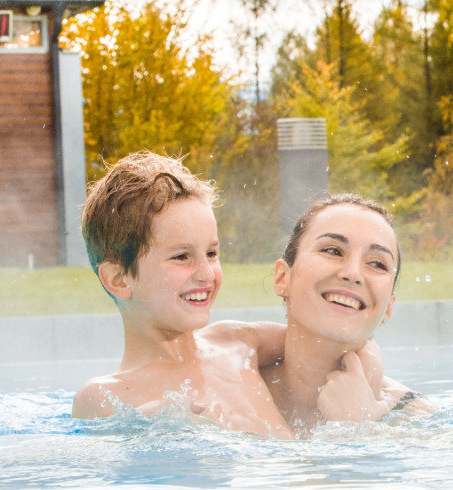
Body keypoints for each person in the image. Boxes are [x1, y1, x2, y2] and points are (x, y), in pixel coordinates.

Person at [72, 151, 293, 438]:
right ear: (118, 279)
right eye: (181, 256)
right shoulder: (105, 397)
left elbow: (334, 343)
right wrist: (149, 428)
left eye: (212, 253)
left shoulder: (239, 342)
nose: (206, 273)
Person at [260, 193, 434, 437]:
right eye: (333, 250)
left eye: (377, 264)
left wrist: (359, 427)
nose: (353, 273)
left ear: (389, 307)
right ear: (282, 278)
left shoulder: (416, 421)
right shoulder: (223, 391)